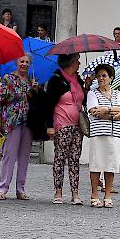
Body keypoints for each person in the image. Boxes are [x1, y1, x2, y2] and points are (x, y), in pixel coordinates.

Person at [45, 53, 89, 205]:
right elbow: (49, 104)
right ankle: (58, 192)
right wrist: (49, 126)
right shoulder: (56, 80)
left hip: (77, 126)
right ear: (70, 63)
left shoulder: (78, 80)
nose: (79, 63)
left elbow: (84, 99)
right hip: (61, 124)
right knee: (60, 158)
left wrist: (87, 87)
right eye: (77, 60)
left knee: (75, 159)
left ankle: (75, 193)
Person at [0, 54, 34, 200]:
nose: (24, 64)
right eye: (22, 61)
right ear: (17, 62)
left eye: (27, 62)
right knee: (9, 154)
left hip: (28, 121)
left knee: (24, 156)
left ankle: (20, 188)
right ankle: (3, 188)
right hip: (11, 121)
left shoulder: (31, 80)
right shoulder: (8, 78)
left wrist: (35, 91)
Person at [87, 63, 120, 208]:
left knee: (111, 164)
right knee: (96, 164)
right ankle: (94, 194)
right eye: (98, 76)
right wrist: (114, 112)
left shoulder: (117, 94)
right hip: (98, 133)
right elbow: (94, 111)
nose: (101, 78)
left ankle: (108, 195)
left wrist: (106, 110)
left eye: (104, 76)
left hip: (114, 133)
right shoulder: (93, 93)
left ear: (111, 78)